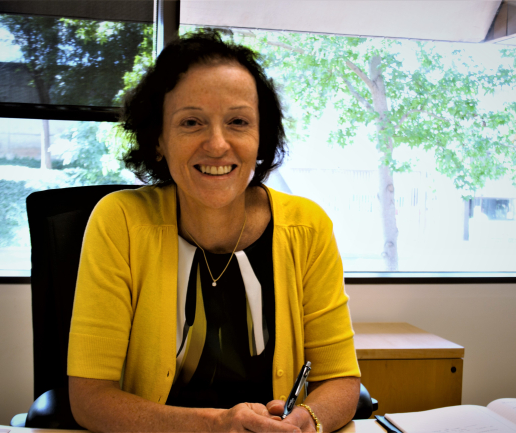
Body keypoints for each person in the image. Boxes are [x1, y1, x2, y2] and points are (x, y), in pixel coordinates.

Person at [67, 31, 361, 433]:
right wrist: (216, 425)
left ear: (261, 137)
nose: (218, 144)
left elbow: (341, 379)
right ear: (158, 139)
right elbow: (89, 399)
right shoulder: (120, 222)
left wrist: (306, 422)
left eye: (238, 122)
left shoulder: (307, 227)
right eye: (191, 122)